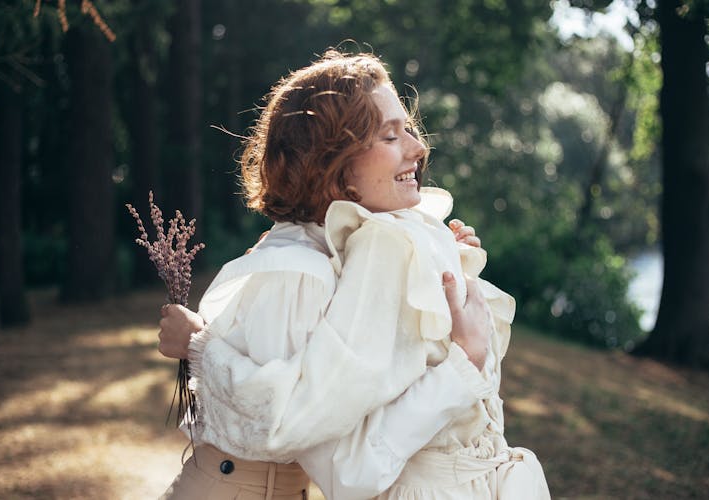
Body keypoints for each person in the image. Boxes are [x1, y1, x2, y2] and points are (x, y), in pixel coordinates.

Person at [159, 49, 550, 500]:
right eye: (389, 136)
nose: (419, 148)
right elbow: (293, 426)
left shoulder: (356, 249)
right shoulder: (301, 270)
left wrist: (442, 263)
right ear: (331, 163)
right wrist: (199, 345)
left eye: (408, 128)